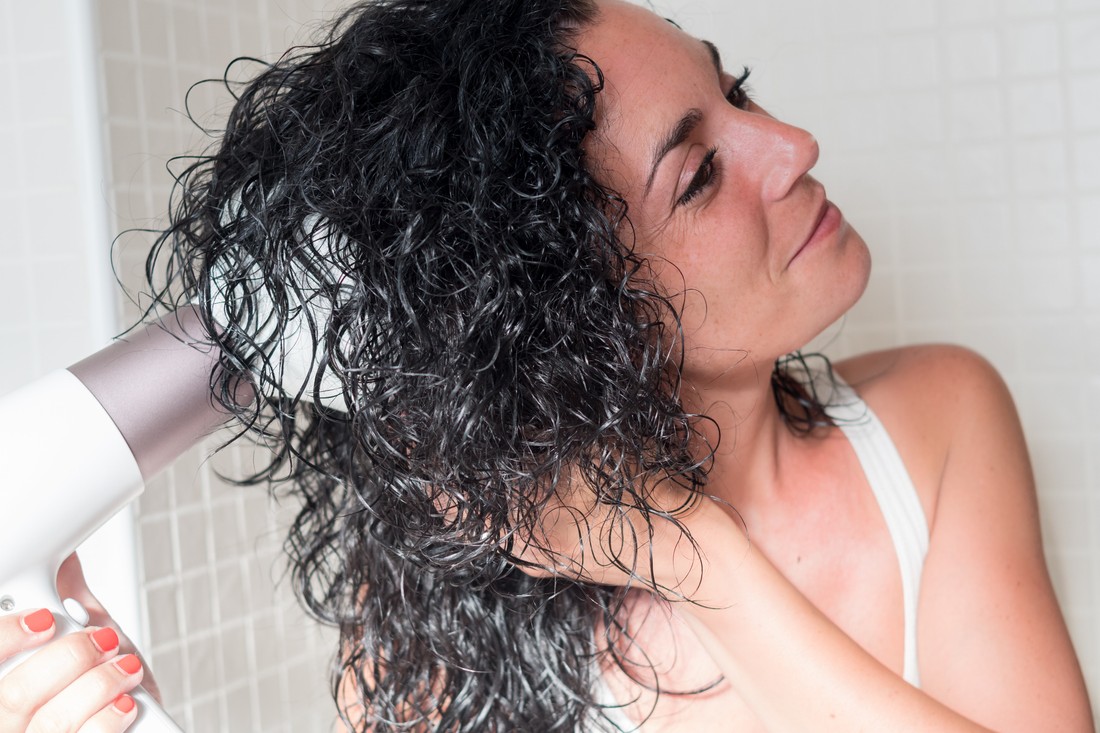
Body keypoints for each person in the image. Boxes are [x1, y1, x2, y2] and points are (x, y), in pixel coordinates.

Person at [1, 0, 1093, 730]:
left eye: (739, 91)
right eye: (698, 172)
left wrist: (695, 552)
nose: (793, 143)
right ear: (572, 309)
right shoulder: (426, 649)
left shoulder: (936, 420)